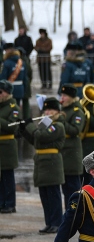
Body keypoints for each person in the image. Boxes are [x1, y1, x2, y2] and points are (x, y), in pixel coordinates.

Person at [20, 97, 65, 232]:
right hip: (41, 162)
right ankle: (49, 222)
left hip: (52, 163)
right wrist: (24, 128)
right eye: (45, 109)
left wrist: (31, 126)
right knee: (45, 196)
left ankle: (57, 223)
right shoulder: (44, 125)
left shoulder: (58, 125)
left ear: (57, 111)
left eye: (50, 109)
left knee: (53, 195)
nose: (47, 112)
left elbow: (41, 136)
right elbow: (35, 140)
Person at [58, 84, 86, 202]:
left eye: (65, 95)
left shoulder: (77, 111)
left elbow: (75, 130)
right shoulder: (63, 110)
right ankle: (69, 214)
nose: (62, 98)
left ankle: (78, 214)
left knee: (74, 189)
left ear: (72, 97)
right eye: (61, 95)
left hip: (72, 154)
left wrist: (61, 121)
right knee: (65, 190)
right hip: (63, 153)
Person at [0, 80, 20, 213]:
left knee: (7, 176)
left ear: (7, 93)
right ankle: (2, 202)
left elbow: (13, 127)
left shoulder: (13, 107)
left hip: (7, 146)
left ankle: (10, 203)